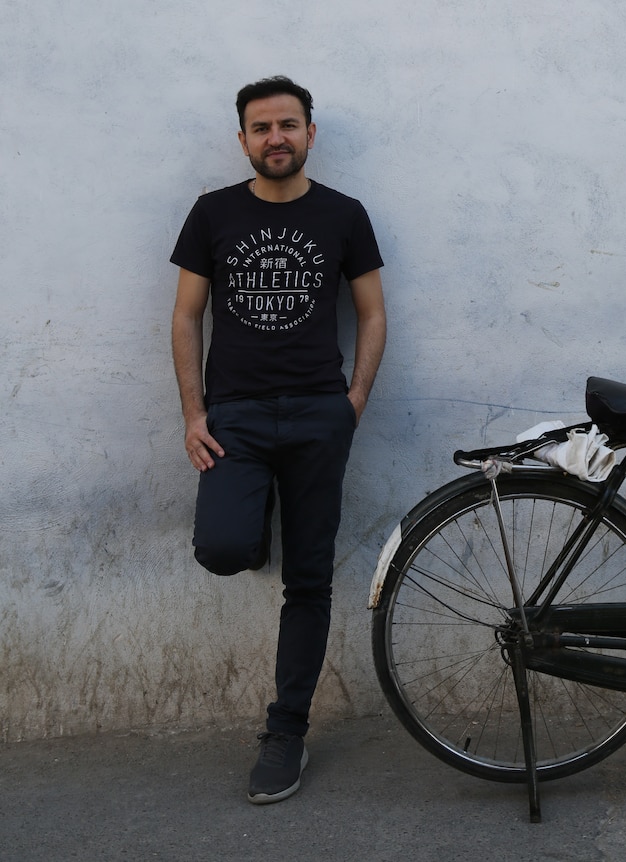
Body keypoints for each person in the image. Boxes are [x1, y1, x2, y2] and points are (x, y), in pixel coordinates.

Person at [170, 75, 386, 805]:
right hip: (237, 416)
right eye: (261, 128)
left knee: (312, 578)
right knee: (224, 547)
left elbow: (373, 313)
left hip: (319, 415)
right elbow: (185, 317)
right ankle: (249, 521)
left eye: (288, 125)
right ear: (243, 140)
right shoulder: (212, 213)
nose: (275, 138)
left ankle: (285, 730)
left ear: (309, 134)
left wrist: (352, 400)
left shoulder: (345, 215)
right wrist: (194, 414)